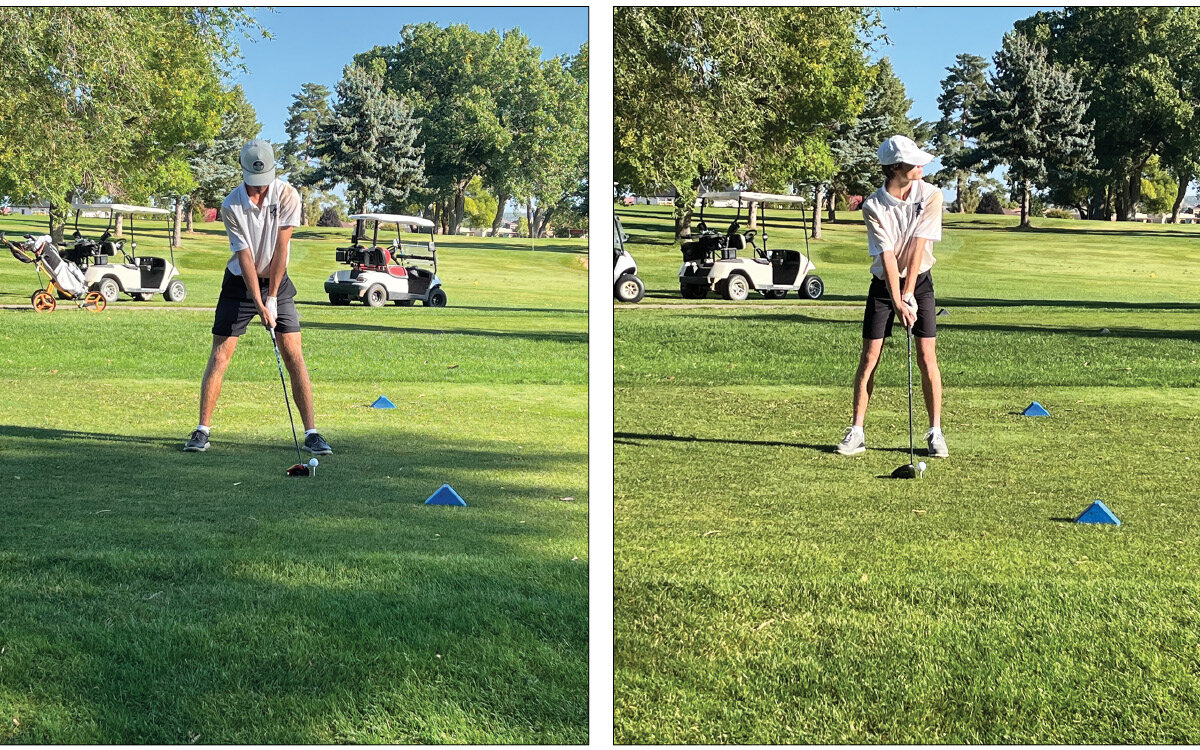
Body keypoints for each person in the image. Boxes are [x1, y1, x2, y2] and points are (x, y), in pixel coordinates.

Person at [183, 139, 332, 455]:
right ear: (243, 174)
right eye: (254, 185)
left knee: (293, 353)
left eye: (264, 185)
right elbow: (246, 257)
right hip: (240, 283)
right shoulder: (231, 205)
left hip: (278, 281)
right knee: (221, 354)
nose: (259, 191)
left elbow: (281, 249)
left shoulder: (288, 195)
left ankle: (312, 433)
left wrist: (273, 299)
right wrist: (258, 300)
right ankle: (201, 431)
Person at [836, 135, 947, 459]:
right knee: (869, 358)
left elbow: (918, 246)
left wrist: (910, 293)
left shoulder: (931, 195)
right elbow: (887, 256)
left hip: (921, 281)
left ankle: (935, 432)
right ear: (897, 168)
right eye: (915, 162)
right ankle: (857, 431)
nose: (922, 166)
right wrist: (897, 299)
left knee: (927, 357)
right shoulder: (873, 206)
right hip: (884, 287)